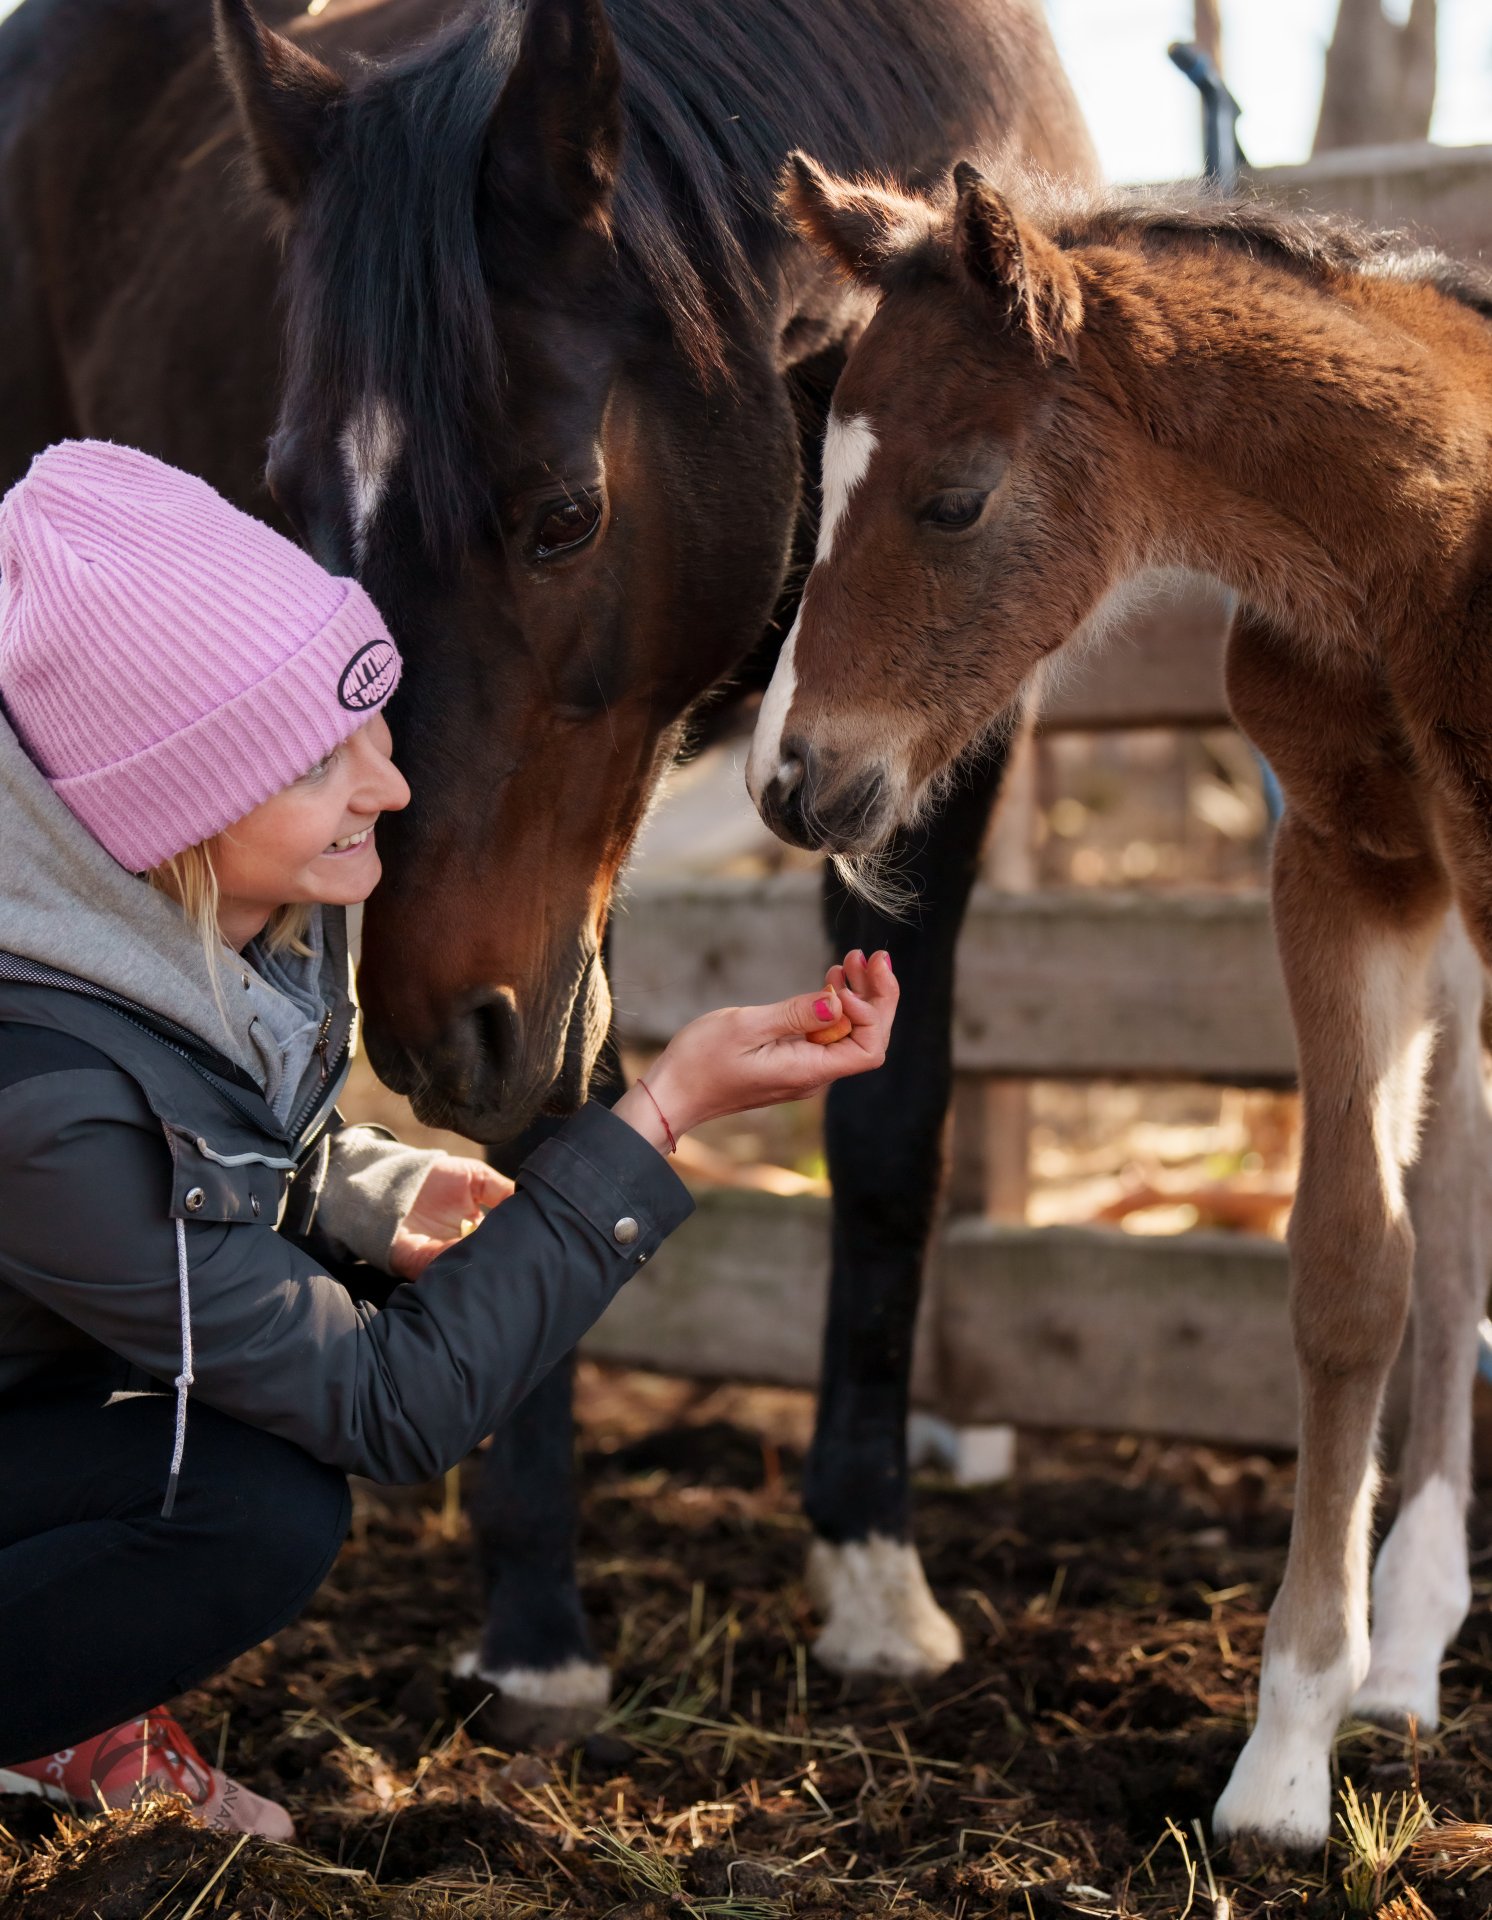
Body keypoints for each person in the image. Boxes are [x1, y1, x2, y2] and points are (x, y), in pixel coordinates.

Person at [0, 442, 899, 1837]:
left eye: (379, 725)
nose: (392, 787)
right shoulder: (43, 1088)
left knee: (223, 1460)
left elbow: (174, 1174)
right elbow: (386, 1408)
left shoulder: (170, 938)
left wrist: (362, 1189)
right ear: (172, 801)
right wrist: (659, 1117)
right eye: (321, 758)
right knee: (249, 1506)